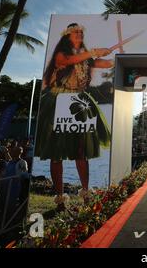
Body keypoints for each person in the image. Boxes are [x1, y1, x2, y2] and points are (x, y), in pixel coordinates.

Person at [34, 23, 119, 210]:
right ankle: (59, 197)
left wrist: (117, 56)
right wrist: (95, 52)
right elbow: (71, 60)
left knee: (81, 151)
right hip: (57, 101)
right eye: (76, 32)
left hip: (78, 101)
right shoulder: (61, 55)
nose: (80, 34)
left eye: (81, 32)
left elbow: (106, 63)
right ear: (67, 36)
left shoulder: (85, 58)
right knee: (56, 154)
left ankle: (86, 192)